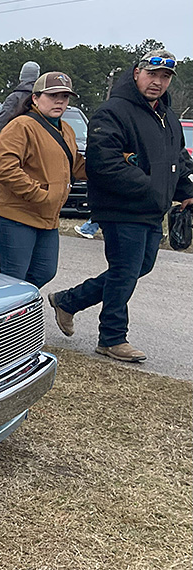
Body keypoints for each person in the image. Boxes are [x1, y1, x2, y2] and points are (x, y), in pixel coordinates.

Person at [48, 50, 193, 363]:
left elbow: (177, 158)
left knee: (138, 267)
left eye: (165, 77)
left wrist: (187, 190)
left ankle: (68, 301)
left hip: (152, 210)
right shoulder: (113, 111)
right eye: (152, 74)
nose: (158, 82)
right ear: (137, 73)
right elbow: (104, 163)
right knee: (125, 270)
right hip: (121, 209)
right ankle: (112, 337)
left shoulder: (167, 116)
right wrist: (150, 186)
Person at [0, 71, 86, 289]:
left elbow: (76, 165)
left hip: (46, 216)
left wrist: (119, 163)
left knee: (44, 272)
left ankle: (6, 309)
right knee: (14, 278)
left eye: (65, 97)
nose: (60, 101)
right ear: (35, 98)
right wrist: (40, 195)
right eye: (53, 95)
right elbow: (3, 166)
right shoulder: (21, 125)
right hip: (12, 214)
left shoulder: (65, 129)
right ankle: (7, 317)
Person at [0, 61, 41, 134]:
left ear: (21, 77)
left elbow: (2, 122)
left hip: (16, 139)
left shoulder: (13, 98)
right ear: (37, 76)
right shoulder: (43, 97)